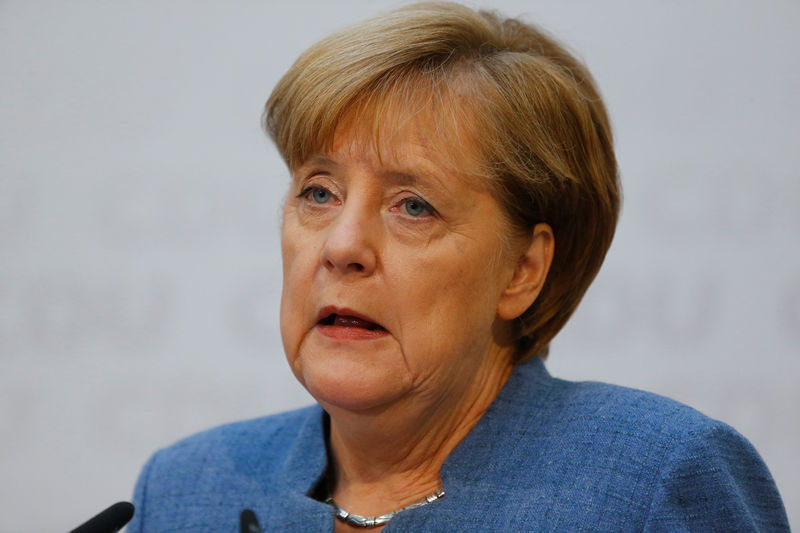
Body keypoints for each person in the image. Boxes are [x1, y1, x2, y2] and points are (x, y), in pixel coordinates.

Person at [127, 2, 789, 531]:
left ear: (522, 270)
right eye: (318, 192)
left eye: (412, 205)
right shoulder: (190, 491)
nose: (341, 246)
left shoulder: (653, 482)